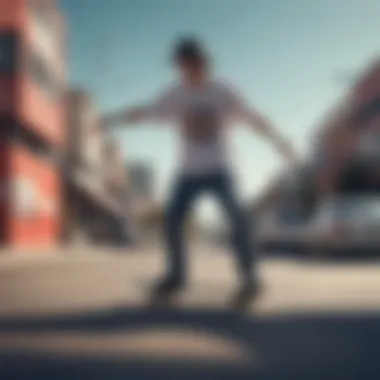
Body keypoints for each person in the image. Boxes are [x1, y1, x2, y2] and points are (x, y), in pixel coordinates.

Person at [102, 37, 296, 307]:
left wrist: (280, 142)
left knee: (238, 217)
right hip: (188, 172)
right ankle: (176, 277)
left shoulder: (223, 91)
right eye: (181, 67)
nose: (186, 72)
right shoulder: (176, 94)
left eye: (191, 65)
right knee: (172, 220)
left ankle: (249, 279)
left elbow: (254, 119)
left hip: (221, 169)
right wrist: (112, 119)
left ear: (202, 63)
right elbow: (145, 112)